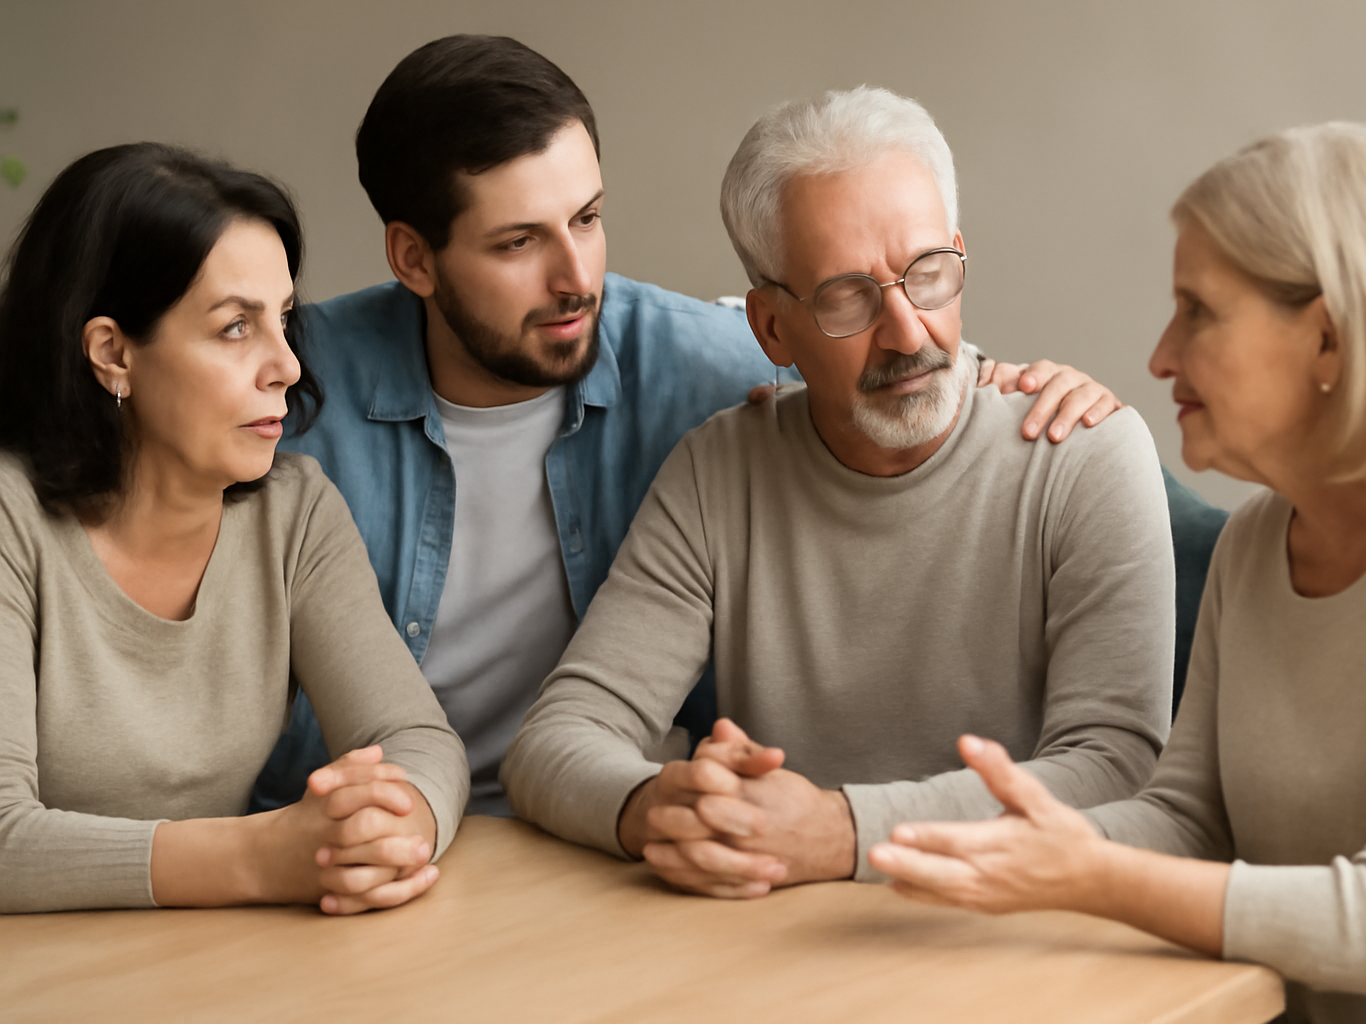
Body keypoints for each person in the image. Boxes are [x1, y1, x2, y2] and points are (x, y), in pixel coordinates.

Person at [251, 34, 1134, 818]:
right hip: (345, 837)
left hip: (587, 851)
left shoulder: (699, 359)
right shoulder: (288, 388)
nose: (575, 279)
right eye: (518, 242)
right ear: (413, 257)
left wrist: (1018, 383)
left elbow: (890, 350)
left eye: (588, 220)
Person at [870, 123, 1366, 1023]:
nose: (1159, 358)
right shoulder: (1259, 539)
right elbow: (1192, 822)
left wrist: (1091, 874)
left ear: (1331, 340)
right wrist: (1007, 845)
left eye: (1199, 311)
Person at [506, 87, 1176, 899]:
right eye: (847, 297)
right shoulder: (719, 472)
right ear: (772, 329)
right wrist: (659, 805)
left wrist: (840, 830)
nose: (907, 333)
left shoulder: (1085, 457)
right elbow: (557, 739)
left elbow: (1117, 771)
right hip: (780, 938)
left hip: (1018, 933)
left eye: (928, 273)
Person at [0, 143, 469, 915]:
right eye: (234, 328)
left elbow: (414, 735)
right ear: (113, 353)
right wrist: (261, 855)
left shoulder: (296, 510)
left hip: (208, 964)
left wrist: (392, 825)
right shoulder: (15, 520)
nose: (285, 364)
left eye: (283, 320)